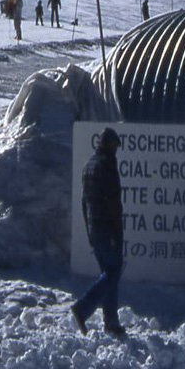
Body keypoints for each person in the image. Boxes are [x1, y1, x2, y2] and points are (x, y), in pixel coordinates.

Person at [71, 128, 126, 337]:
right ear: (108, 143)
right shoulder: (107, 165)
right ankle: (83, 309)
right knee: (112, 273)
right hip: (108, 228)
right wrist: (115, 232)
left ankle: (111, 322)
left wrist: (88, 231)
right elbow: (113, 203)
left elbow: (84, 203)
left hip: (94, 228)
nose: (116, 149)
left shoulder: (89, 166)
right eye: (115, 145)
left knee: (108, 273)